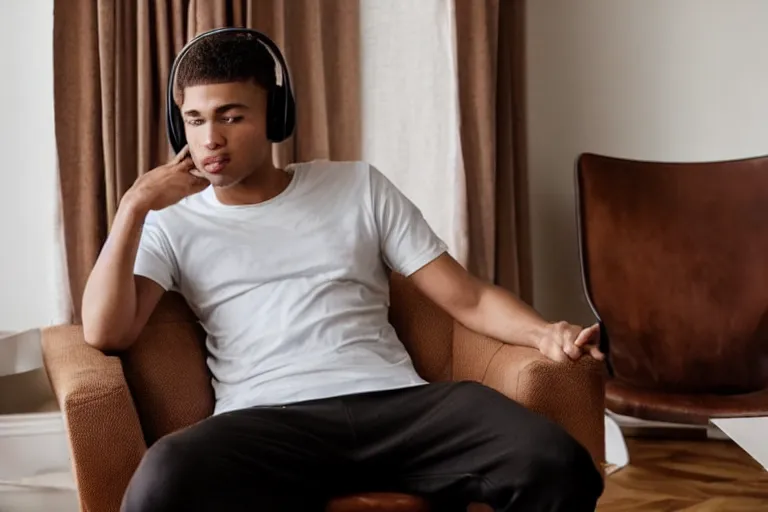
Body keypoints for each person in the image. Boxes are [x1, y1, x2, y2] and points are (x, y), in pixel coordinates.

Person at [82, 30, 605, 512]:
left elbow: (467, 298)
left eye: (231, 116)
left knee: (556, 461)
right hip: (266, 421)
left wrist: (544, 333)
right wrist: (132, 207)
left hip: (398, 407)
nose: (210, 138)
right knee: (162, 479)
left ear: (276, 117)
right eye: (195, 120)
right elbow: (107, 330)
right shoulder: (172, 221)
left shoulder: (358, 187)